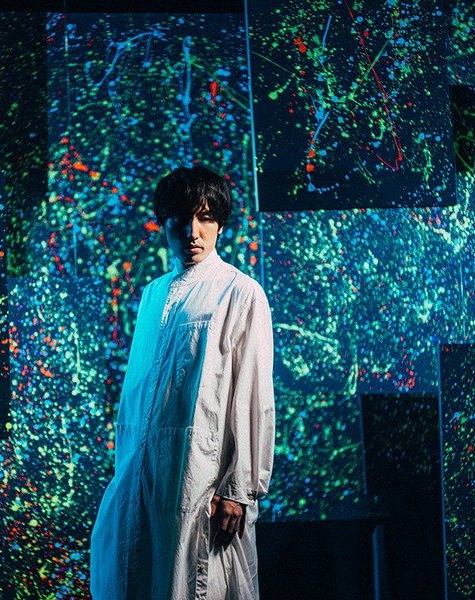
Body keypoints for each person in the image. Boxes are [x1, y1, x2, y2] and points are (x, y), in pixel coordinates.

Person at [90, 166, 275, 599]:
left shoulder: (239, 291)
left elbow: (253, 395)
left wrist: (239, 488)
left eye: (205, 218)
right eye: (180, 219)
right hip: (145, 469)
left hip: (201, 474)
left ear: (220, 224)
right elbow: (137, 393)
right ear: (164, 224)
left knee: (196, 582)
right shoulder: (154, 294)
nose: (192, 232)